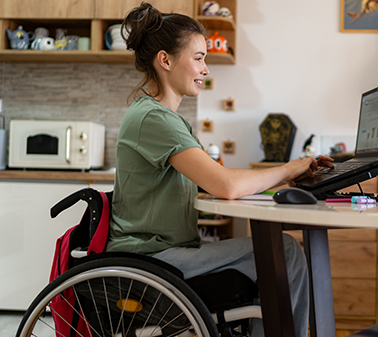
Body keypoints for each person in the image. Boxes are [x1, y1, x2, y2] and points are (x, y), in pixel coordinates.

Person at [107, 3, 334, 336]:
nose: (206, 69)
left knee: (279, 253)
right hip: (154, 259)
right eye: (198, 58)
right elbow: (225, 185)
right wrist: (287, 169)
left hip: (166, 252)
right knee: (285, 251)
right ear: (165, 60)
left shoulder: (165, 118)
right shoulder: (153, 118)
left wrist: (278, 179)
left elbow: (216, 180)